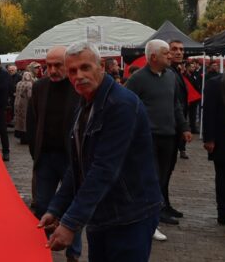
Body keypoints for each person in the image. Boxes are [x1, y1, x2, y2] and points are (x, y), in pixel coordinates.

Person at [38, 42, 163, 261]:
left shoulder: (121, 104)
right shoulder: (86, 102)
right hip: (101, 214)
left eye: (85, 67)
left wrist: (69, 223)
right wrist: (56, 208)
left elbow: (104, 168)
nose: (79, 76)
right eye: (73, 71)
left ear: (101, 66)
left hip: (129, 215)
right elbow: (77, 164)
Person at [125, 40, 191, 233]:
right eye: (166, 53)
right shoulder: (137, 79)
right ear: (153, 57)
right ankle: (151, 218)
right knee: (151, 178)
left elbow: (175, 105)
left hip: (169, 136)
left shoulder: (170, 76)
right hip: (148, 138)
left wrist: (184, 127)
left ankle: (158, 210)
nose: (170, 55)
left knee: (162, 177)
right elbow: (125, 105)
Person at [26, 46, 82, 262]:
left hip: (72, 159)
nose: (52, 70)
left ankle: (73, 252)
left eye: (57, 65)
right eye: (48, 65)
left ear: (67, 65)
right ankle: (46, 246)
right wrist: (35, 152)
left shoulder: (78, 86)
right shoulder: (40, 87)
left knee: (72, 205)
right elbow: (33, 121)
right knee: (43, 204)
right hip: (46, 158)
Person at [202, 51, 225, 233]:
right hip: (222, 140)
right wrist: (209, 138)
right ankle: (224, 213)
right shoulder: (214, 84)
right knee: (224, 178)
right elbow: (209, 113)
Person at [168, 40, 191, 159]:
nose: (179, 52)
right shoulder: (167, 72)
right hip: (169, 127)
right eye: (175, 49)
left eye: (181, 49)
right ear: (168, 52)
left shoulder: (176, 71)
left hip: (177, 124)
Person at [13, 71, 33, 144]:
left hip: (17, 103)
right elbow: (30, 95)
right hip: (25, 104)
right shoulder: (29, 84)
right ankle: (26, 138)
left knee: (19, 121)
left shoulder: (18, 83)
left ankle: (21, 138)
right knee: (25, 121)